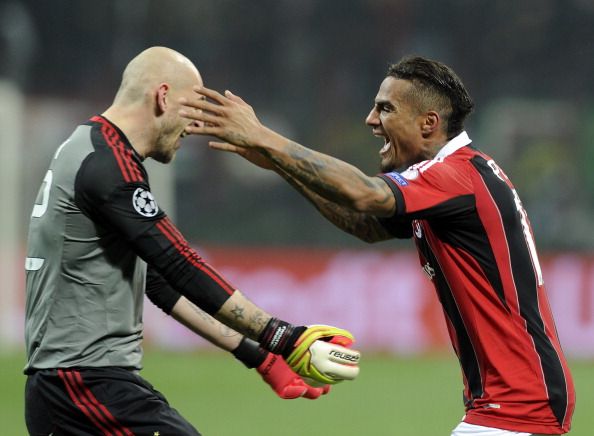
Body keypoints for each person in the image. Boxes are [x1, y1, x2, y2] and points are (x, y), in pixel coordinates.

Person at [180, 55, 576, 435]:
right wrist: (278, 163)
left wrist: (264, 137)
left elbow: (366, 195)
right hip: (513, 399)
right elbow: (367, 226)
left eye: (385, 109)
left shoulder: (453, 175)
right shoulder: (453, 179)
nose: (371, 120)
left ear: (428, 123)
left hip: (519, 403)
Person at [24, 46, 360, 436]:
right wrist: (283, 337)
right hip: (83, 388)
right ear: (163, 96)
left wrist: (260, 355)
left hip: (74, 389)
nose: (194, 127)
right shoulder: (107, 165)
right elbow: (179, 263)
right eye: (193, 110)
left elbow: (159, 282)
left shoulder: (92, 149)